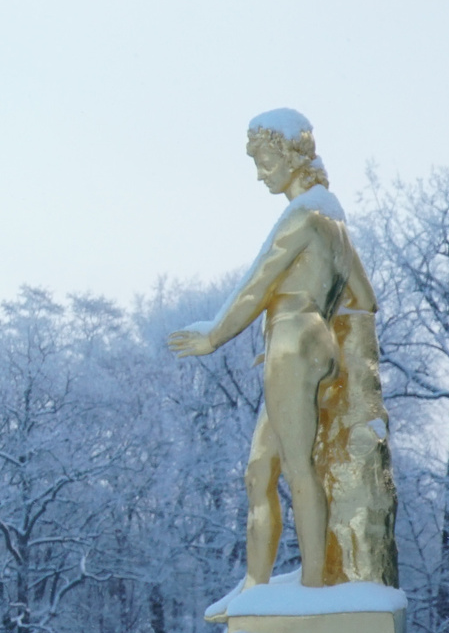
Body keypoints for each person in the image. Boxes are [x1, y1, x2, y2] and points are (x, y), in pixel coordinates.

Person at [168, 111, 396, 587]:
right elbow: (365, 299)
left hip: (293, 340)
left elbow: (255, 287)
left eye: (265, 161)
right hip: (304, 344)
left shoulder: (302, 217)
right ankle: (255, 586)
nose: (260, 174)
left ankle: (312, 587)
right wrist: (317, 340)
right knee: (259, 472)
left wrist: (214, 336)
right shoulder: (333, 222)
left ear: (292, 157)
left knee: (296, 468)